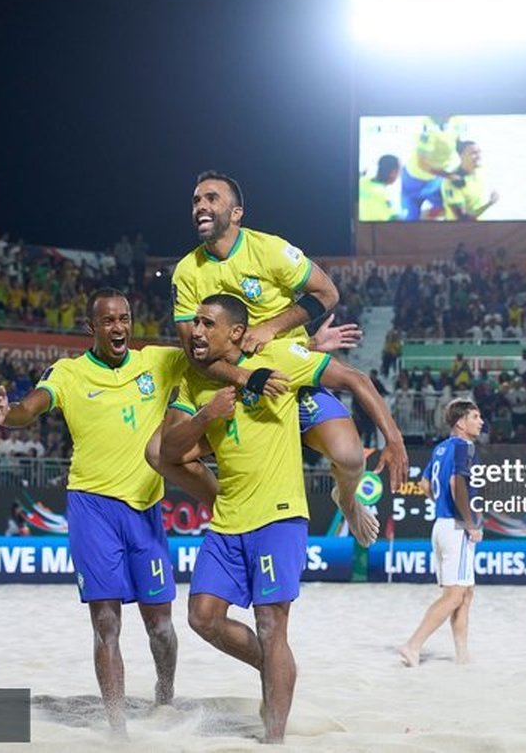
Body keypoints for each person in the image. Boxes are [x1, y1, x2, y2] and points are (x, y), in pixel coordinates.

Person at [155, 293, 407, 743]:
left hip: (279, 519)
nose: (195, 330)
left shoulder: (280, 359)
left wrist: (394, 439)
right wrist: (207, 415)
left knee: (272, 627)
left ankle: (274, 740)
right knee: (202, 618)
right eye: (195, 322)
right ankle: (274, 668)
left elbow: (355, 378)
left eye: (207, 323)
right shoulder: (195, 382)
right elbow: (168, 452)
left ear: (236, 332)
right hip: (228, 521)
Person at [0, 287, 188, 736]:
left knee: (161, 625)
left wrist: (300, 346)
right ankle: (117, 728)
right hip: (92, 508)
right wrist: (9, 414)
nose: (119, 327)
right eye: (109, 320)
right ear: (91, 327)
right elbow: (30, 408)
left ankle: (165, 696)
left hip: (145, 508)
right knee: (106, 622)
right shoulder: (69, 372)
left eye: (125, 318)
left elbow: (209, 354)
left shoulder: (156, 361)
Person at [168, 171, 391, 533]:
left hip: (286, 373)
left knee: (350, 457)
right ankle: (226, 508)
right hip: (226, 380)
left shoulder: (269, 249)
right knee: (160, 454)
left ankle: (347, 499)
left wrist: (273, 329)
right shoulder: (186, 272)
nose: (200, 206)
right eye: (196, 200)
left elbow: (327, 293)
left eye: (211, 198)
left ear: (237, 213)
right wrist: (246, 377)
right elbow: (195, 355)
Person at [399, 399, 484, 668]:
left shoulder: (440, 448)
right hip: (457, 528)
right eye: (475, 416)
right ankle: (413, 645)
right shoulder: (465, 447)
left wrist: (442, 504)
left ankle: (462, 655)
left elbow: (425, 484)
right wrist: (470, 524)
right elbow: (456, 483)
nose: (480, 421)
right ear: (460, 422)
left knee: (465, 594)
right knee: (454, 596)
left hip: (442, 526)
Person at [441, 140, 500, 221]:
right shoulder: (452, 181)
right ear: (461, 156)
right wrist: (489, 204)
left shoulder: (480, 169)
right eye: (474, 153)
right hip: (461, 228)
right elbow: (463, 218)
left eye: (479, 152)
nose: (478, 156)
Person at [358, 154, 402, 221]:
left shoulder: (361, 181)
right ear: (393, 173)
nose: (399, 175)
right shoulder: (385, 195)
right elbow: (396, 219)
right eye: (399, 171)